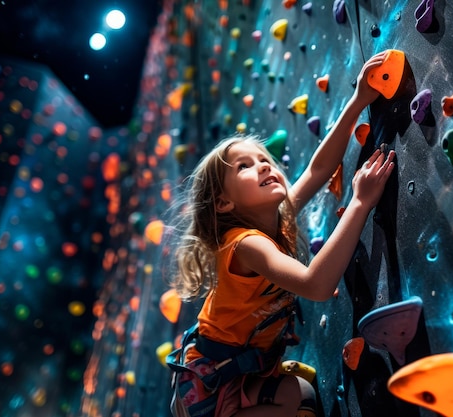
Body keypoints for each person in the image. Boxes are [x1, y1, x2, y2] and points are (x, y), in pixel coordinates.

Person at [167, 51, 396, 417]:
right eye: (245, 166)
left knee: (300, 394)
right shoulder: (246, 245)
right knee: (296, 397)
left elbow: (319, 169)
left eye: (264, 160)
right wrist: (359, 203)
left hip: (238, 372)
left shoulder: (272, 215)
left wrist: (358, 101)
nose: (262, 166)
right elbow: (316, 285)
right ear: (224, 203)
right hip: (210, 391)